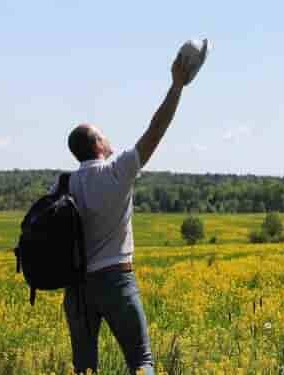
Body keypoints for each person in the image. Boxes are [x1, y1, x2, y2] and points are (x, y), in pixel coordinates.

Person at [57, 54, 189, 374]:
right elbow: (156, 130)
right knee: (141, 361)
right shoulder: (117, 171)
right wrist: (177, 86)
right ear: (99, 144)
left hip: (76, 288)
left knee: (84, 368)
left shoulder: (63, 183)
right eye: (104, 134)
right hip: (116, 280)